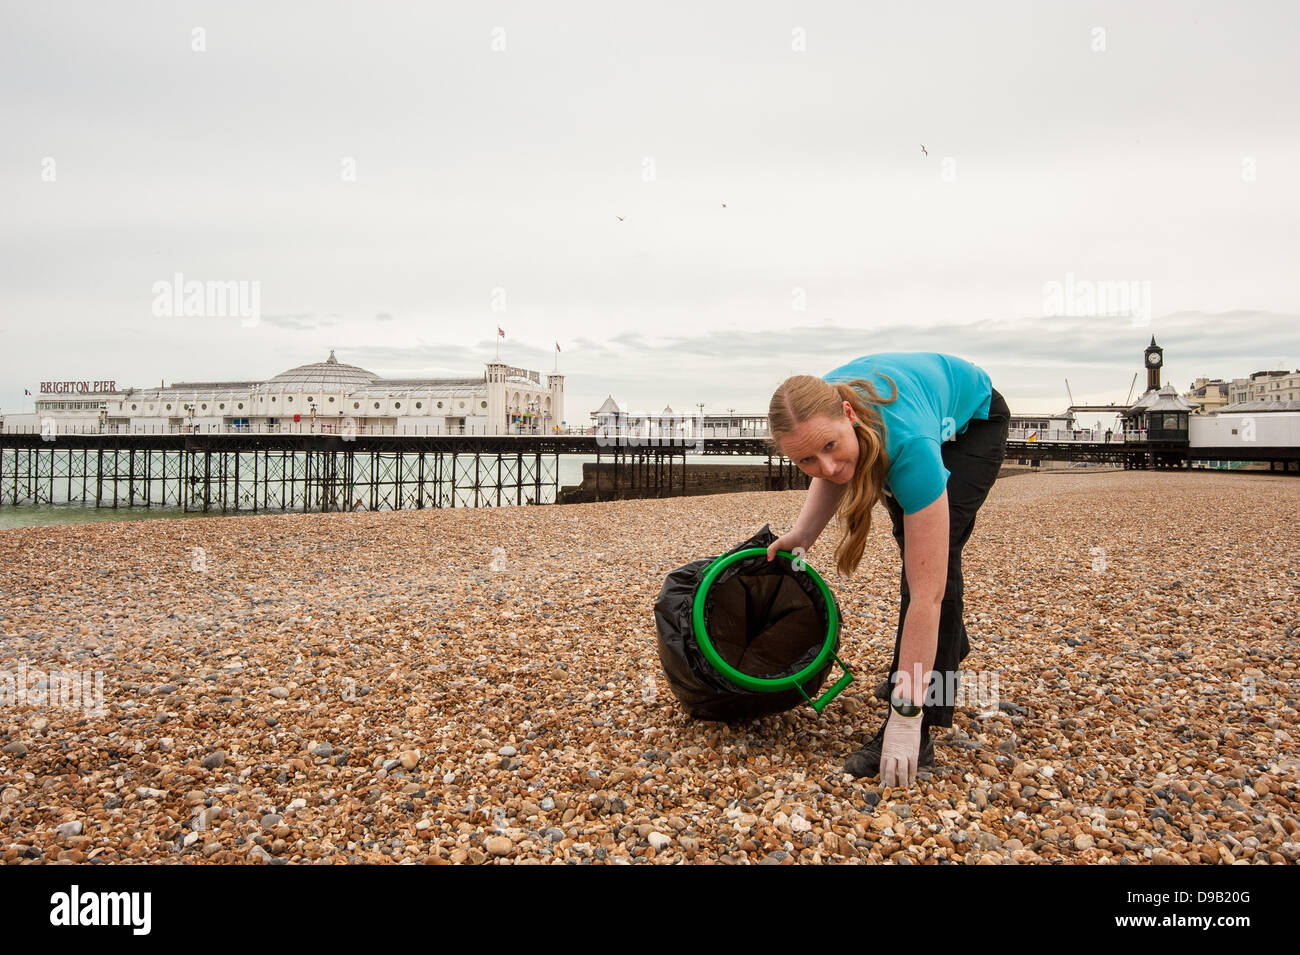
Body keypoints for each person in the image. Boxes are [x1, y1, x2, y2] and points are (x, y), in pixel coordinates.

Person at [765, 352, 1009, 789]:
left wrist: (906, 715)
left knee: (935, 573)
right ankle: (946, 651)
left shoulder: (910, 446)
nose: (829, 468)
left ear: (848, 414)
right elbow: (830, 473)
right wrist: (800, 537)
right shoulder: (812, 412)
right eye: (805, 461)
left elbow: (926, 597)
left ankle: (926, 718)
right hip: (909, 422)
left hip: (975, 424)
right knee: (918, 555)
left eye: (831, 447)